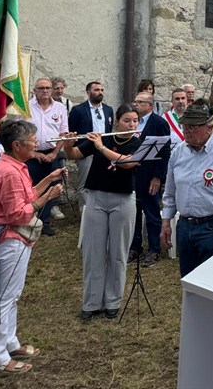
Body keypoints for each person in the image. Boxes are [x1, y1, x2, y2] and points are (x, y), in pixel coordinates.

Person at [0, 120, 64, 374]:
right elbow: (19, 213)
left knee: (11, 295)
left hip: (15, 239)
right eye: (32, 140)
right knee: (4, 298)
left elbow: (26, 194)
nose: (36, 144)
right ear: (17, 145)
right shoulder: (8, 172)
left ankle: (9, 342)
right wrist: (48, 197)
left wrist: (49, 179)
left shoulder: (14, 166)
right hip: (9, 240)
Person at [63, 105, 142, 320]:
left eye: (135, 120)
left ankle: (113, 302)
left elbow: (128, 163)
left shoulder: (137, 142)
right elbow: (74, 154)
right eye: (127, 120)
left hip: (123, 200)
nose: (132, 125)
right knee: (93, 252)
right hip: (96, 197)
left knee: (118, 253)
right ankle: (91, 302)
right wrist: (69, 143)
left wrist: (100, 148)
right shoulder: (103, 137)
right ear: (116, 121)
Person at [160, 99, 213, 276]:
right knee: (189, 279)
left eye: (193, 127)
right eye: (185, 127)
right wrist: (166, 221)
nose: (187, 131)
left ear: (209, 128)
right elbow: (170, 192)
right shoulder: (178, 152)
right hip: (185, 226)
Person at [128, 92, 170, 267]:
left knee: (151, 213)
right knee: (133, 214)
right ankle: (135, 247)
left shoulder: (158, 123)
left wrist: (157, 177)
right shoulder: (131, 122)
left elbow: (165, 152)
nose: (136, 104)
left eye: (140, 102)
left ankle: (154, 249)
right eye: (135, 101)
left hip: (149, 176)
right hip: (132, 176)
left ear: (150, 106)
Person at [26, 78, 69, 236]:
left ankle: (45, 223)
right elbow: (20, 131)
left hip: (53, 153)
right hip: (31, 154)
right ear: (34, 90)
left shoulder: (59, 108)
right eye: (41, 88)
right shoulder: (27, 106)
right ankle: (29, 220)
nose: (45, 91)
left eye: (48, 88)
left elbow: (63, 133)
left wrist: (54, 153)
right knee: (31, 188)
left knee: (51, 188)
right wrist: (33, 153)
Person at [69, 81, 114, 206]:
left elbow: (109, 130)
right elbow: (72, 130)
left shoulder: (108, 110)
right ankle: (84, 211)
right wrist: (76, 149)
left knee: (103, 180)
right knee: (85, 182)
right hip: (85, 150)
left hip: (103, 150)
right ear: (88, 92)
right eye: (96, 90)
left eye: (102, 90)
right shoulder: (78, 110)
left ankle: (99, 207)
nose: (100, 92)